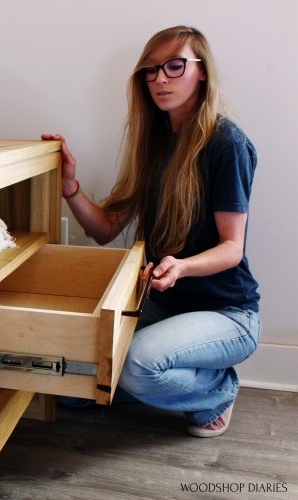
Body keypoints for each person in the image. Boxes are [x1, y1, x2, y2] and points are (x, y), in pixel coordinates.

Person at [41, 26, 260, 438]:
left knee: (139, 365)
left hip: (227, 313)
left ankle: (217, 390)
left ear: (202, 73)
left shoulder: (225, 142)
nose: (160, 78)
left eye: (175, 66)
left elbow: (232, 248)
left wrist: (180, 266)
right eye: (151, 70)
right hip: (164, 307)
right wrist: (70, 186)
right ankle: (146, 379)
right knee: (72, 384)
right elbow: (105, 230)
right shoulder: (156, 143)